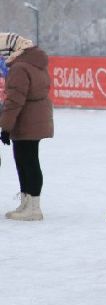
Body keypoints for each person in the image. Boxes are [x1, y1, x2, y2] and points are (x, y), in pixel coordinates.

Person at [0, 33, 53, 221]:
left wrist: (5, 127)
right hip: (35, 118)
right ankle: (27, 202)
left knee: (27, 162)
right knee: (26, 160)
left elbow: (14, 100)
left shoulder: (19, 67)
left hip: (27, 120)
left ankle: (33, 207)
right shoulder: (34, 62)